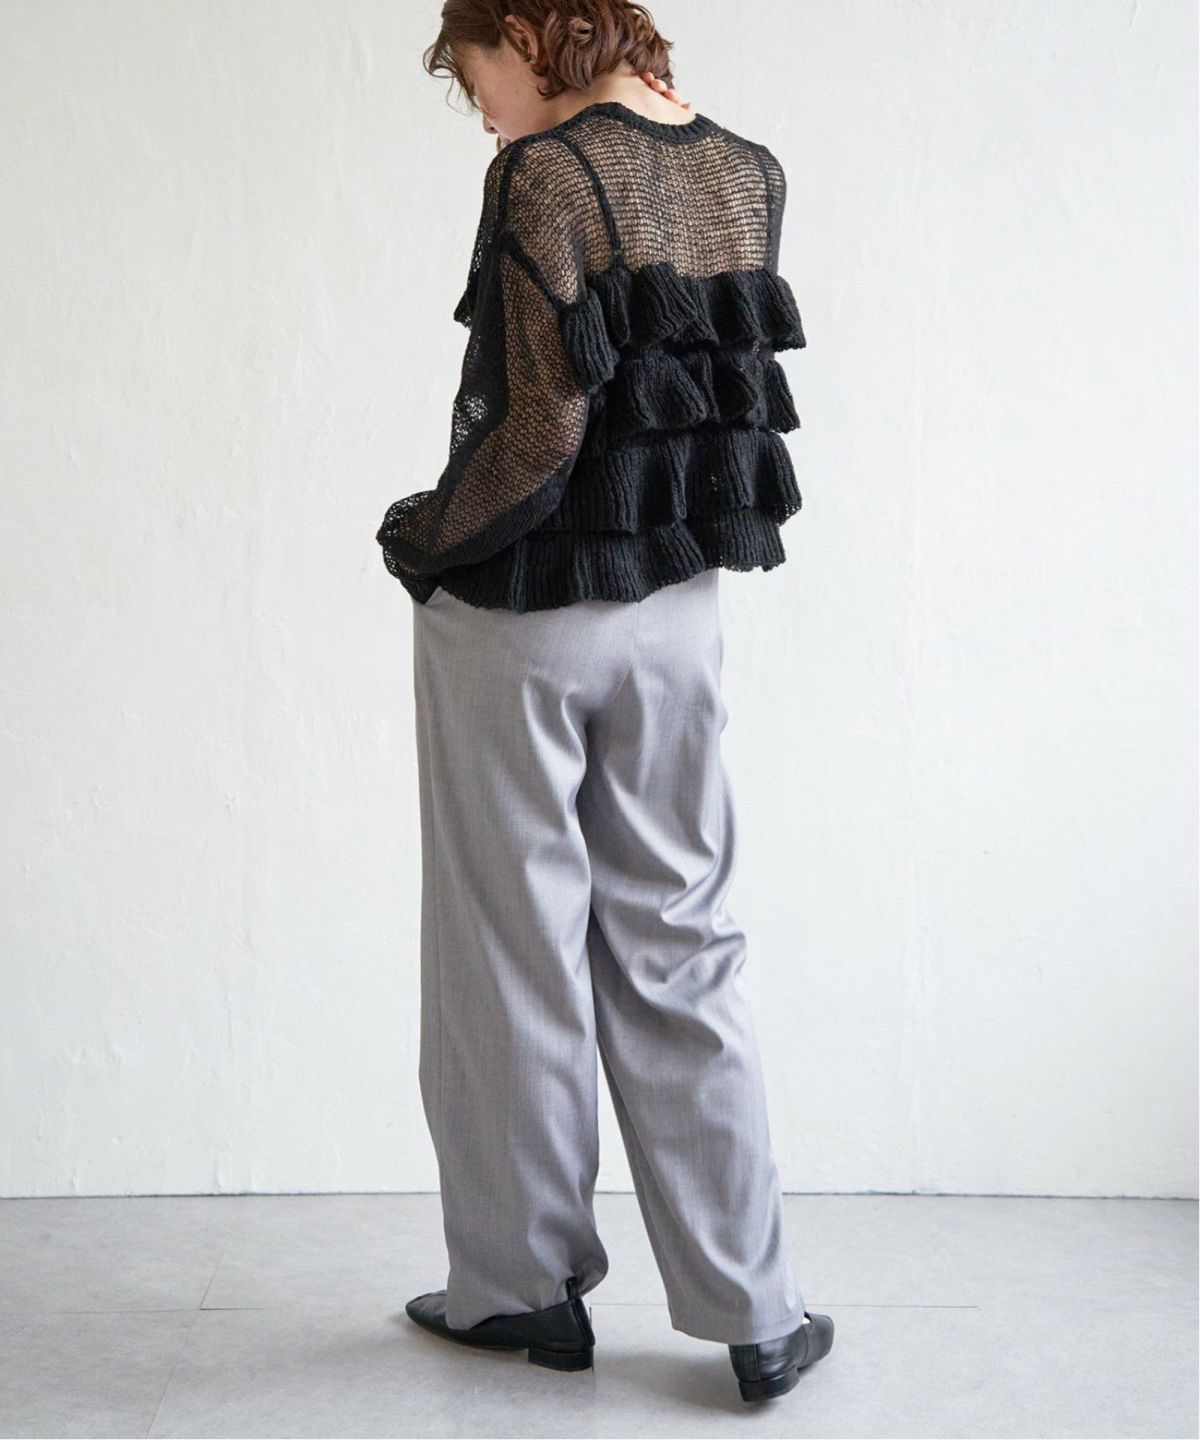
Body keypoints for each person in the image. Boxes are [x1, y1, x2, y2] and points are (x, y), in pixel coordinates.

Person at [375, 0, 835, 1404]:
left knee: (508, 948)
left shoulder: (548, 174)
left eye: (476, 77)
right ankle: (757, 1311)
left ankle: (521, 1293)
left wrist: (425, 537)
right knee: (684, 936)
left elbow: (540, 431)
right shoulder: (747, 169)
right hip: (678, 613)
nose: (484, 113)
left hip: (525, 617)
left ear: (528, 29)